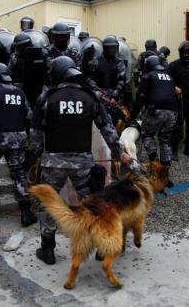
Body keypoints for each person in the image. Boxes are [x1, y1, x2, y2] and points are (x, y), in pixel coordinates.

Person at [30, 56, 131, 265]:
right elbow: (108, 129)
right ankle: (102, 245)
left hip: (53, 163)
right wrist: (120, 153)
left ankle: (47, 249)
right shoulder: (90, 98)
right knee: (93, 205)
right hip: (83, 164)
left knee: (49, 203)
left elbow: (36, 133)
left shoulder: (47, 98)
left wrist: (35, 154)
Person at [0, 63, 37, 226]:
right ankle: (25, 212)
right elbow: (30, 115)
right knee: (19, 175)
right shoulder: (20, 92)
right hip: (17, 140)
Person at [131, 55, 178, 169]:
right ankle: (165, 166)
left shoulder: (148, 76)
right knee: (165, 139)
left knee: (146, 134)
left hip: (155, 111)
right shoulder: (170, 78)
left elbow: (140, 97)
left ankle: (154, 160)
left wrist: (133, 116)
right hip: (172, 113)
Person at [88, 36, 126, 127]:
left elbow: (121, 81)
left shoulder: (119, 63)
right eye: (110, 48)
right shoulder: (96, 61)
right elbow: (88, 78)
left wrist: (114, 96)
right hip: (98, 97)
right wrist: (96, 90)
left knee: (115, 121)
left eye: (114, 47)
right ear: (105, 48)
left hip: (114, 99)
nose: (112, 50)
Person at [9, 32, 48, 108]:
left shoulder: (41, 52)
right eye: (19, 46)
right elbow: (10, 71)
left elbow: (49, 66)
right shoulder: (14, 57)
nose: (22, 48)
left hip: (39, 84)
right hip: (21, 85)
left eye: (24, 45)